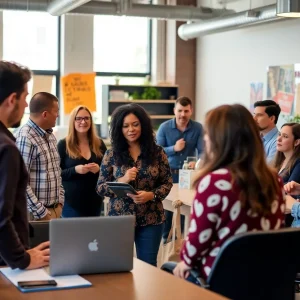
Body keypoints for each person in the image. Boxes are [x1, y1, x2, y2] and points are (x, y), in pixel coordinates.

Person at [165, 104, 285, 283]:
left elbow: (196, 244)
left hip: (220, 280)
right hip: (265, 279)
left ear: (218, 139)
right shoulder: (274, 180)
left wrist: (184, 262)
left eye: (208, 134)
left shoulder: (214, 183)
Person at [96, 103, 173, 267]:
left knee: (149, 266)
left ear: (143, 126)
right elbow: (101, 187)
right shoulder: (111, 154)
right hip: (119, 218)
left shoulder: (157, 152)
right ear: (119, 129)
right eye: (125, 126)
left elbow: (167, 182)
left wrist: (151, 195)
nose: (131, 129)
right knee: (119, 265)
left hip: (151, 218)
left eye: (135, 124)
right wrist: (122, 180)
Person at [0, 60, 49, 269]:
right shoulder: (6, 148)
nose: (27, 105)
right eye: (25, 97)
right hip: (6, 268)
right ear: (13, 99)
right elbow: (1, 217)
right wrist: (23, 259)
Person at [156, 96, 203, 240]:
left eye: (186, 111)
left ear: (191, 111)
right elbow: (157, 152)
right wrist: (174, 148)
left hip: (188, 175)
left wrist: (198, 162)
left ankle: (179, 243)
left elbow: (202, 151)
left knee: (183, 209)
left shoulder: (198, 127)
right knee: (167, 211)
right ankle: (165, 241)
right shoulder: (164, 127)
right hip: (167, 174)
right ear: (174, 110)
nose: (183, 114)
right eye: (180, 111)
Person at [15, 92, 64, 221]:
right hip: (35, 215)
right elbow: (20, 181)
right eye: (56, 111)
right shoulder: (26, 137)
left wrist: (60, 202)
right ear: (45, 114)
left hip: (54, 210)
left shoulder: (51, 136)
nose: (58, 115)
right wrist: (41, 212)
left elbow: (56, 172)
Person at [57, 106, 107, 217]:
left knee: (93, 234)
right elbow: (56, 174)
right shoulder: (63, 144)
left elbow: (110, 170)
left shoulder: (99, 144)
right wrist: (75, 170)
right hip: (70, 204)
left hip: (95, 202)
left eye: (86, 118)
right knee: (73, 234)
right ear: (73, 121)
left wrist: (99, 169)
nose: (83, 122)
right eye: (78, 118)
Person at [274, 123, 300, 227]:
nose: (279, 139)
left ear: (297, 142)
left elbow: (286, 192)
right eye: (279, 134)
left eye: (285, 136)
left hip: (286, 222)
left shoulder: (298, 162)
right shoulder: (280, 161)